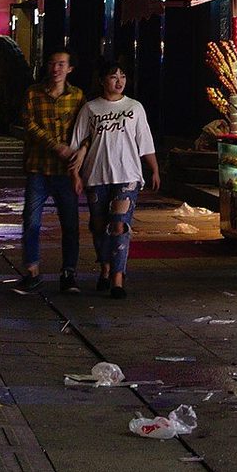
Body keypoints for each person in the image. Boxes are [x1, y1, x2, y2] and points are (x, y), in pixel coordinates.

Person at [68, 60, 160, 298]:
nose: (119, 82)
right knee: (99, 226)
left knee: (119, 225)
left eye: (123, 77)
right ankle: (105, 268)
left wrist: (154, 169)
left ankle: (118, 278)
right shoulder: (90, 109)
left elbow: (145, 141)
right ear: (102, 81)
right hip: (96, 176)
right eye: (113, 77)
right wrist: (75, 174)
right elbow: (77, 143)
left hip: (127, 175)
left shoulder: (135, 107)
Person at [13, 49, 84, 295]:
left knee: (70, 224)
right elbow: (29, 124)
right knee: (31, 221)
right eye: (53, 63)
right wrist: (56, 146)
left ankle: (69, 273)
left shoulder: (77, 96)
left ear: (70, 68)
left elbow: (85, 129)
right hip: (38, 167)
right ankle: (32, 272)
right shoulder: (33, 93)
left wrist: (79, 155)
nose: (56, 69)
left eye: (62, 64)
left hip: (66, 171)